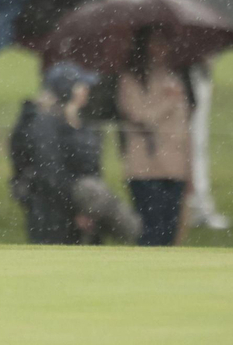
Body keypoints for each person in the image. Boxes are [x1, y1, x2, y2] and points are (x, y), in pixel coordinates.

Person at [131, 0, 229, 231]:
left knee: (194, 138)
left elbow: (214, 26)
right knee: (157, 137)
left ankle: (197, 202)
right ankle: (161, 201)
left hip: (191, 71)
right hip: (154, 74)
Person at [10, 62, 140, 245]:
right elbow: (50, 173)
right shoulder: (44, 123)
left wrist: (90, 210)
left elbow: (89, 167)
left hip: (79, 208)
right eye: (81, 85)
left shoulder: (77, 121)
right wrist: (74, 210)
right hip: (51, 213)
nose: (86, 89)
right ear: (67, 90)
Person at [116, 25, 192, 246]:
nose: (160, 49)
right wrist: (167, 103)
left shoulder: (174, 79)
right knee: (151, 230)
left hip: (175, 167)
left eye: (163, 43)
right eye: (155, 43)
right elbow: (139, 116)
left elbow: (184, 127)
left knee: (169, 231)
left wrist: (189, 170)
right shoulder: (131, 80)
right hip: (146, 167)